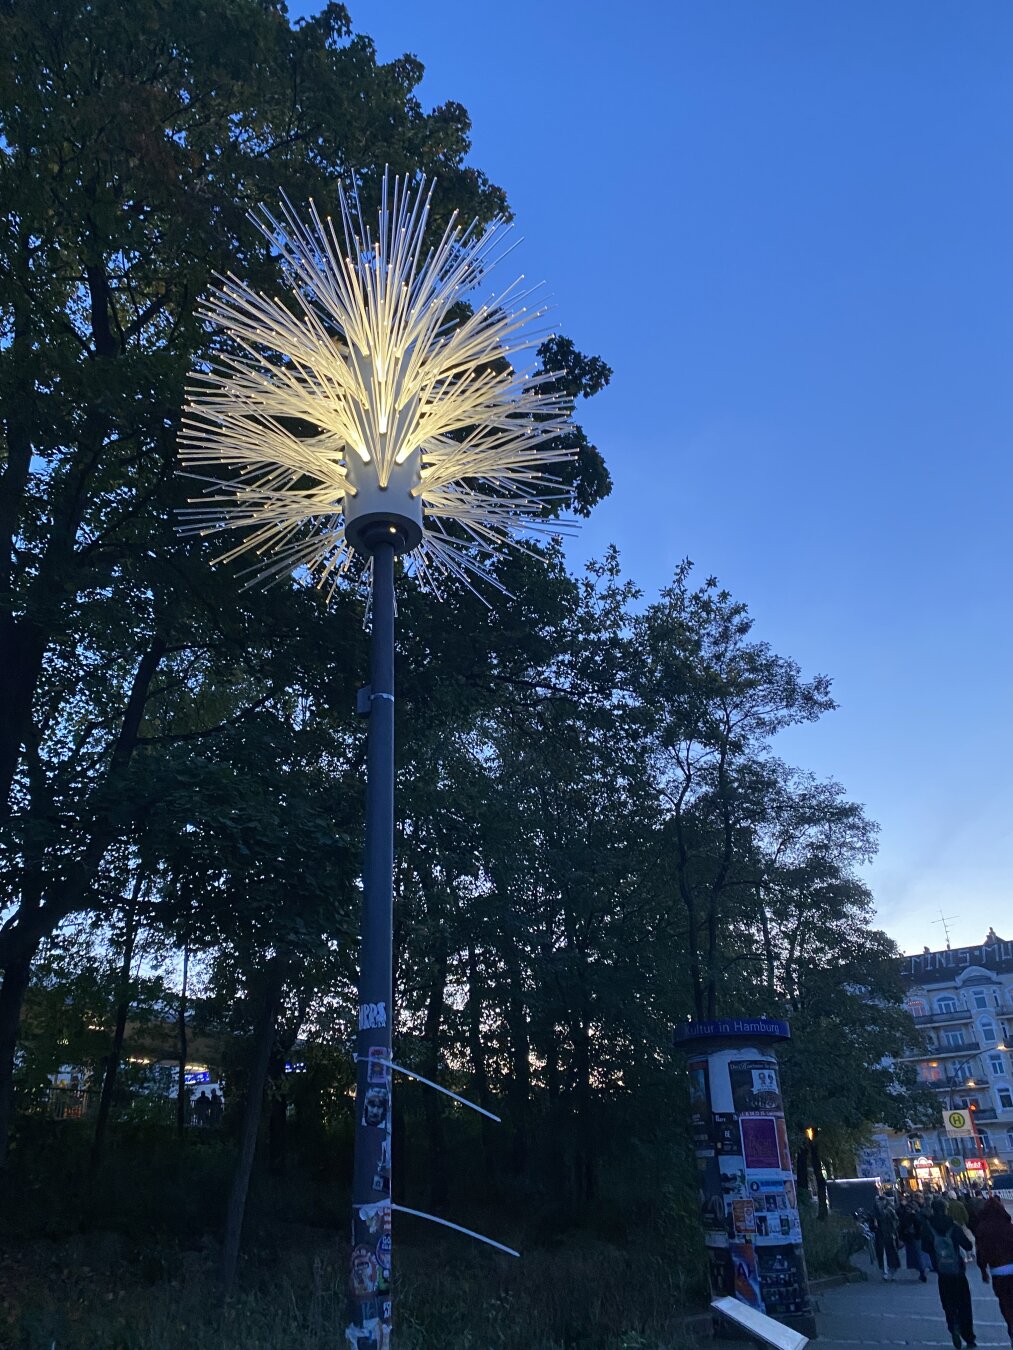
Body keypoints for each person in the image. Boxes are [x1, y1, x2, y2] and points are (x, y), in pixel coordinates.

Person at [922, 1196, 976, 1348]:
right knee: (964, 1304)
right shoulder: (953, 1226)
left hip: (942, 1272)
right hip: (958, 1271)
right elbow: (968, 1246)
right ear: (945, 1209)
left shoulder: (928, 1227)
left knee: (948, 1304)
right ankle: (969, 1337)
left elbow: (925, 1248)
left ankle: (953, 1327)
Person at [974, 1197, 1013, 1347]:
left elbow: (981, 1253)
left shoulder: (982, 1230)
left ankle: (1010, 1324)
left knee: (1004, 1302)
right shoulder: (1009, 1227)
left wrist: (983, 1270)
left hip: (997, 1271)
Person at [898, 1199, 928, 1282]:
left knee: (916, 1254)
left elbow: (901, 1226)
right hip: (916, 1237)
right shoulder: (916, 1215)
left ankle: (921, 1270)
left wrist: (901, 1237)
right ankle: (922, 1270)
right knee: (919, 1254)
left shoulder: (906, 1216)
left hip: (910, 1237)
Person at [873, 1199, 901, 1281]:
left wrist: (893, 1231)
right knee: (884, 1254)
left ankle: (889, 1271)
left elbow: (896, 1221)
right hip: (883, 1235)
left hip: (888, 1235)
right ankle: (887, 1271)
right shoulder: (877, 1213)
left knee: (888, 1254)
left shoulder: (888, 1210)